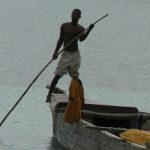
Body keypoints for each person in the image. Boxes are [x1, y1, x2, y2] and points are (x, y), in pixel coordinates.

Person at [46, 8, 94, 102]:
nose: (74, 16)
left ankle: (79, 97)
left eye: (76, 15)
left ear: (79, 17)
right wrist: (55, 52)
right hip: (65, 54)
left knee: (75, 77)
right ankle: (49, 95)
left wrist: (89, 30)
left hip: (75, 55)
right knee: (58, 75)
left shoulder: (80, 28)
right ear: (71, 15)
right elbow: (60, 39)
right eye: (73, 14)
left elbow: (81, 39)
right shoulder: (64, 26)